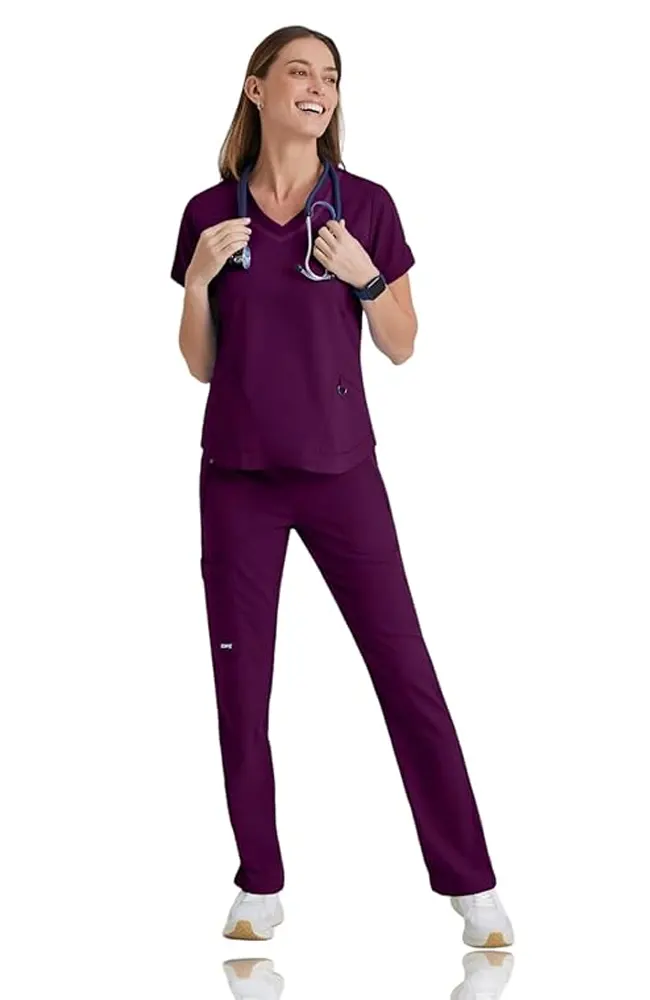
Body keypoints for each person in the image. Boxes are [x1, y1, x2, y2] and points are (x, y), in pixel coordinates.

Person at [170, 24, 514, 949]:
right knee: (241, 686)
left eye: (328, 75)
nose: (317, 88)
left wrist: (365, 279)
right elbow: (201, 365)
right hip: (237, 479)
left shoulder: (363, 206)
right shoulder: (208, 213)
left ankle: (472, 885)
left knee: (405, 672)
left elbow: (403, 344)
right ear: (257, 90)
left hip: (341, 475)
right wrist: (198, 282)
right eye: (299, 72)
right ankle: (259, 884)